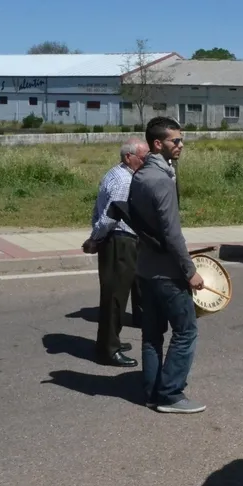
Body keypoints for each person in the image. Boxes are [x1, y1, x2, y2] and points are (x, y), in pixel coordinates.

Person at [127, 116, 206, 414]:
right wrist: (190, 271)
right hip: (167, 273)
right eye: (176, 140)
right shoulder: (161, 180)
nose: (181, 145)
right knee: (186, 332)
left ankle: (151, 391)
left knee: (151, 336)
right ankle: (171, 394)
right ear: (158, 144)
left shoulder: (140, 175)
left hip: (145, 269)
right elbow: (172, 233)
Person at [84, 139, 149, 367]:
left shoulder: (116, 174)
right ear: (128, 157)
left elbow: (97, 208)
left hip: (119, 240)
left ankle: (110, 341)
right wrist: (96, 238)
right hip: (119, 242)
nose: (146, 161)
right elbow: (110, 215)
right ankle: (108, 351)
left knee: (117, 296)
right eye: (143, 157)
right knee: (115, 298)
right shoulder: (123, 180)